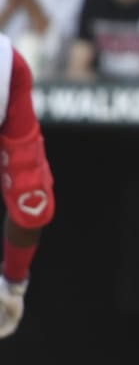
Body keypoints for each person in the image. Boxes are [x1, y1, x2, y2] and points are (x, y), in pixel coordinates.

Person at [0, 32, 57, 338]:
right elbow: (29, 204)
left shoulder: (7, 64)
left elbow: (29, 201)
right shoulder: (7, 60)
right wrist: (12, 284)